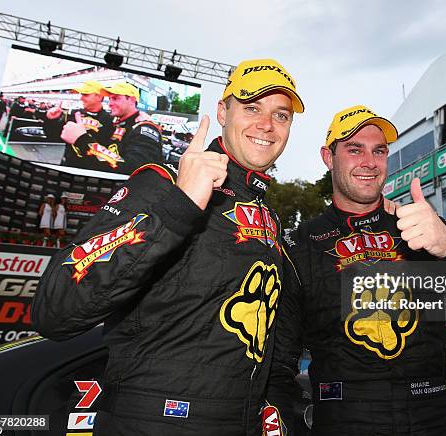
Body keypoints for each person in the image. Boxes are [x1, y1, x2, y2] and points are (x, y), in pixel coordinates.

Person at [32, 58, 304, 435]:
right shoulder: (165, 185)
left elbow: (277, 341)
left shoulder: (270, 219)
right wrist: (181, 207)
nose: (267, 125)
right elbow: (55, 308)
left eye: (282, 115)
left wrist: (277, 416)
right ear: (222, 112)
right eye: (252, 108)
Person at [267, 105, 446, 435]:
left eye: (379, 151)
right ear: (328, 157)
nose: (369, 162)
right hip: (344, 420)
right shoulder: (300, 244)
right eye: (354, 149)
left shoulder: (423, 228)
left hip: (433, 415)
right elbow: (277, 365)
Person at [60, 82, 162, 175]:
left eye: (116, 98)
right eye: (110, 99)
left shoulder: (144, 128)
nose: (110, 103)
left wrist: (81, 139)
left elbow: (132, 168)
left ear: (132, 100)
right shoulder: (117, 123)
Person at [43, 81, 115, 170]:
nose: (81, 98)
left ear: (99, 96)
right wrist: (50, 120)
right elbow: (52, 136)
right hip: (68, 166)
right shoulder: (71, 114)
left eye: (85, 94)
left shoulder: (110, 120)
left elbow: (111, 152)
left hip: (93, 170)